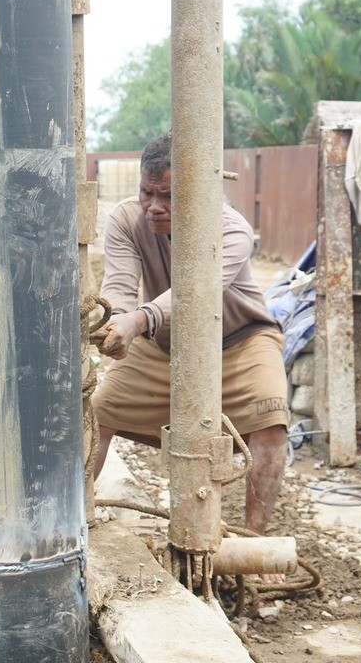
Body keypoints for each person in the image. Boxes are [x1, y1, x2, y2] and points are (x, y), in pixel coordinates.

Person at [90, 132, 288, 536]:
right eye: (147, 193)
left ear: (200, 190)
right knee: (93, 414)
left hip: (241, 342)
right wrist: (115, 323)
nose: (154, 207)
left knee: (271, 421)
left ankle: (253, 540)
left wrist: (137, 321)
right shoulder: (126, 219)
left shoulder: (232, 230)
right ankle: (71, 519)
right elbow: (119, 289)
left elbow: (197, 294)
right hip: (161, 346)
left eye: (169, 196)